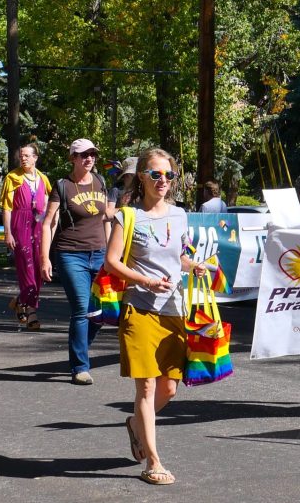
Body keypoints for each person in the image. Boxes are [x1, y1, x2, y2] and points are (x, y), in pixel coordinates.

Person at [106, 148, 207, 486]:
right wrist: (145, 280)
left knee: (170, 388)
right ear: (142, 178)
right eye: (155, 174)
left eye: (168, 175)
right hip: (140, 308)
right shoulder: (127, 216)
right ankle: (153, 460)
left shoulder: (179, 215)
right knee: (147, 387)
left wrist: (196, 266)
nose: (162, 181)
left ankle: (135, 425)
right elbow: (112, 262)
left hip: (174, 310)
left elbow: (178, 257)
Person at [41, 138, 112, 385]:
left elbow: (106, 219)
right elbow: (49, 223)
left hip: (100, 254)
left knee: (101, 312)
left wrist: (113, 253)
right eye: (84, 155)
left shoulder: (101, 182)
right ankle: (80, 367)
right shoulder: (63, 186)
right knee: (82, 309)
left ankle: (78, 346)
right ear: (73, 158)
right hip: (71, 254)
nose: (89, 159)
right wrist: (44, 258)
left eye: (92, 154)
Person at [0, 143, 53, 330]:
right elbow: (6, 207)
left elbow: (48, 205)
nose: (23, 158)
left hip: (38, 226)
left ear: (35, 158)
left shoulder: (43, 179)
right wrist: (7, 233)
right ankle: (31, 311)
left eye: (27, 155)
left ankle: (21, 300)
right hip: (20, 224)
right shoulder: (13, 177)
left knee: (39, 268)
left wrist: (50, 227)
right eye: (21, 155)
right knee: (27, 268)